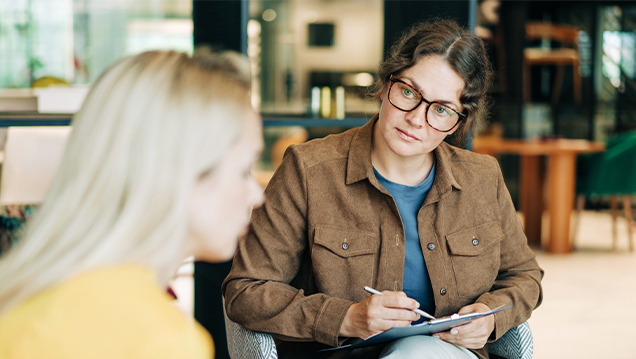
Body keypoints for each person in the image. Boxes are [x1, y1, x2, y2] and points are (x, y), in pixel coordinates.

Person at [223, 19, 543, 359]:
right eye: (409, 92)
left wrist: (490, 317)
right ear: (386, 83)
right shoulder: (308, 170)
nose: (417, 119)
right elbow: (246, 291)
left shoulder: (483, 178)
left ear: (459, 122)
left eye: (441, 110)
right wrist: (345, 318)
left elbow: (525, 277)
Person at [0, 49, 264, 358]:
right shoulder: (161, 341)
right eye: (244, 170)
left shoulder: (29, 293)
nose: (256, 196)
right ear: (179, 173)